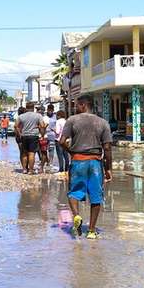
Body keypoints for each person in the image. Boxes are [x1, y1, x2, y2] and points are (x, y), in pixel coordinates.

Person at [61, 95, 112, 239]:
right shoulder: (103, 122)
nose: (76, 108)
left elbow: (62, 141)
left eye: (77, 105)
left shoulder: (72, 120)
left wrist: (71, 151)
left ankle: (77, 216)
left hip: (78, 162)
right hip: (95, 163)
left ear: (83, 105)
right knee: (96, 196)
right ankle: (91, 231)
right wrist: (108, 169)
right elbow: (107, 148)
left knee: (73, 193)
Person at [15, 102, 45, 174]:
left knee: (24, 153)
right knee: (31, 153)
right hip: (34, 136)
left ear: (26, 107)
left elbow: (16, 126)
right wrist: (42, 134)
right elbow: (42, 126)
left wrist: (20, 134)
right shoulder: (38, 116)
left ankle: (24, 169)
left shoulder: (21, 116)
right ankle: (31, 170)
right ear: (33, 107)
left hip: (24, 136)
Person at [54, 110, 70, 175]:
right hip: (66, 140)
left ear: (58, 115)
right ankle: (67, 169)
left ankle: (61, 169)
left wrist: (53, 130)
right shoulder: (67, 121)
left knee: (60, 155)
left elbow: (57, 132)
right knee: (66, 155)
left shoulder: (58, 121)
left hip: (59, 140)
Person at [44, 104, 58, 173]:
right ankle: (46, 161)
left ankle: (50, 162)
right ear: (47, 110)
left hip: (52, 135)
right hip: (45, 135)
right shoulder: (44, 117)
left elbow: (57, 125)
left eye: (51, 110)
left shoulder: (55, 117)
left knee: (51, 149)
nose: (50, 111)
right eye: (49, 110)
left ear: (53, 110)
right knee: (44, 150)